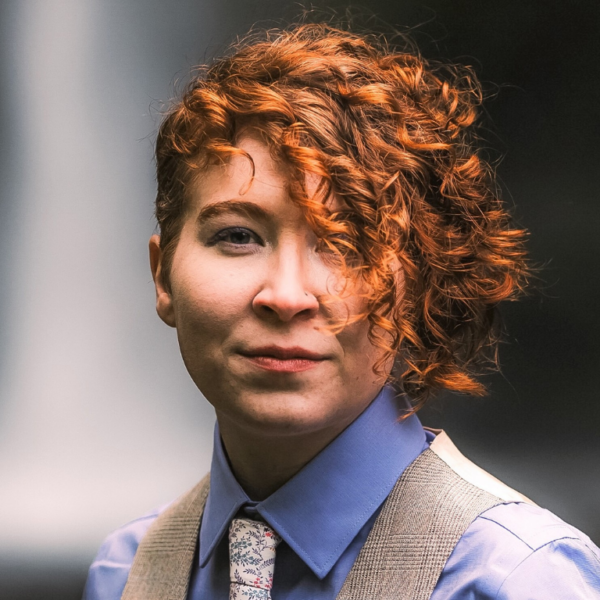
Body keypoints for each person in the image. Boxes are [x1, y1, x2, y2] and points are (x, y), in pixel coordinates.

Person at [83, 23, 600, 600]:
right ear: (162, 275)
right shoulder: (124, 573)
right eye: (237, 235)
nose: (285, 294)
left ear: (420, 280)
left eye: (347, 243)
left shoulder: (513, 579)